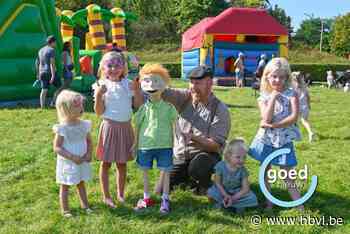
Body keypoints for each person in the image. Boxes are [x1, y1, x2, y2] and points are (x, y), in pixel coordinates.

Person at [160, 65, 231, 195]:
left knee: (200, 165)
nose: (192, 87)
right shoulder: (185, 97)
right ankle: (189, 180)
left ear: (209, 83)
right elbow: (163, 92)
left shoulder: (220, 109)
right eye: (191, 82)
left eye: (197, 83)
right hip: (180, 156)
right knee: (161, 190)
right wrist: (150, 82)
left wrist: (193, 137)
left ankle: (205, 184)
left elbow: (215, 146)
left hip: (205, 155)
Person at [248, 57, 304, 210]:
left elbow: (293, 117)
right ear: (267, 76)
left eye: (281, 77)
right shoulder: (263, 97)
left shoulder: (292, 94)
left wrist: (274, 125)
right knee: (265, 171)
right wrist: (272, 98)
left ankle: (299, 206)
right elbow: (265, 117)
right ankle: (269, 204)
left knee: (287, 174)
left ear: (286, 78)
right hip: (266, 139)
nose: (277, 80)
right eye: (274, 76)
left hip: (283, 140)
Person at [93, 51, 143, 208]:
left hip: (125, 127)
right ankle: (106, 196)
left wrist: (136, 90)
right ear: (103, 67)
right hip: (109, 127)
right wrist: (100, 95)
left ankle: (120, 195)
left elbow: (138, 105)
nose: (113, 68)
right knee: (106, 163)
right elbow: (99, 112)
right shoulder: (100, 85)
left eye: (117, 65)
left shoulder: (128, 84)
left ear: (124, 67)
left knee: (122, 164)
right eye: (109, 65)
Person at [133, 63, 178, 214]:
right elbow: (137, 126)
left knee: (165, 172)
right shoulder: (143, 109)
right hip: (145, 145)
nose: (152, 85)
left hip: (165, 145)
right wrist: (135, 144)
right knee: (144, 172)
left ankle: (165, 198)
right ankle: (146, 197)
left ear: (165, 84)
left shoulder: (169, 108)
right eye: (147, 81)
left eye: (156, 81)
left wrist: (178, 142)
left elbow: (175, 126)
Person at [53, 90, 92, 217]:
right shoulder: (62, 128)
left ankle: (85, 205)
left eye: (81, 105)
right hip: (68, 162)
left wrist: (88, 154)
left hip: (82, 159)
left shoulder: (84, 125)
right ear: (66, 109)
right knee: (65, 185)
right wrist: (72, 157)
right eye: (77, 106)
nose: (82, 108)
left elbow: (89, 141)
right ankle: (65, 209)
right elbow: (57, 147)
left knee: (81, 182)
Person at [207, 138, 258, 213]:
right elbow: (217, 182)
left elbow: (245, 188)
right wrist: (225, 195)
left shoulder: (243, 170)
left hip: (237, 192)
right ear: (228, 155)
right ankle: (223, 203)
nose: (242, 160)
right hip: (223, 190)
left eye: (244, 157)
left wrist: (233, 198)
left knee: (251, 197)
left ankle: (235, 204)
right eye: (238, 157)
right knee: (211, 192)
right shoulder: (220, 166)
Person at [37, 35, 60, 108]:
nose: (55, 44)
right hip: (49, 72)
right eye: (55, 43)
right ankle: (53, 102)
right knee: (60, 87)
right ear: (52, 42)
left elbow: (37, 62)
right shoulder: (51, 50)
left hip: (42, 72)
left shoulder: (40, 50)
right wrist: (53, 75)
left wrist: (38, 74)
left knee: (44, 90)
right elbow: (52, 63)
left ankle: (42, 106)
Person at [291, 71, 315, 143]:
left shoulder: (292, 87)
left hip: (296, 106)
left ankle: (295, 136)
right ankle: (310, 132)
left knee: (293, 122)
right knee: (305, 121)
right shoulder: (304, 86)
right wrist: (309, 105)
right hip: (305, 106)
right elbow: (308, 96)